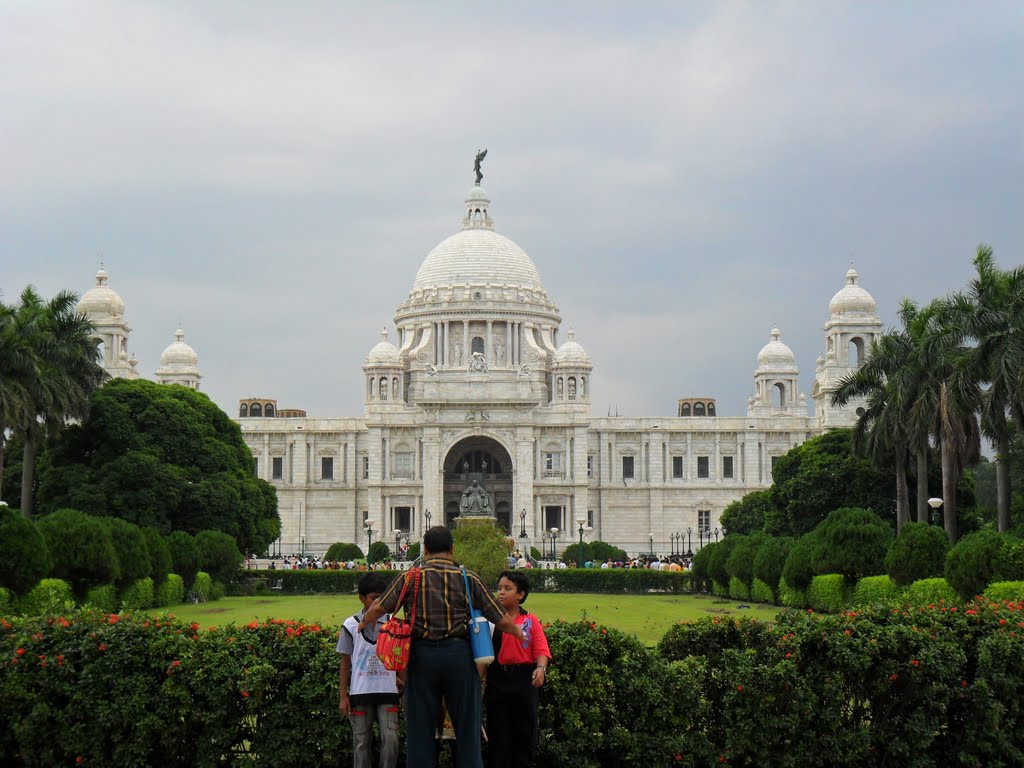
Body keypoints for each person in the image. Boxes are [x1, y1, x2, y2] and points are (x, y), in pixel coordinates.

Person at [361, 526, 525, 768]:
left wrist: (364, 622)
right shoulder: (467, 577)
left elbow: (379, 607)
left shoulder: (411, 576)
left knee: (420, 731)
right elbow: (498, 617)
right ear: (452, 549)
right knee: (467, 729)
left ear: (425, 550)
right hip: (459, 657)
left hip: (421, 657)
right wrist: (518, 631)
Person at [483, 571, 551, 768]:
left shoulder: (530, 620)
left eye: (507, 589)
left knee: (524, 734)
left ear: (520, 594)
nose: (501, 593)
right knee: (498, 736)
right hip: (497, 682)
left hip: (524, 682)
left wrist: (540, 669)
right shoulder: (491, 621)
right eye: (500, 588)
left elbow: (541, 650)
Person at [338, 572, 403, 768]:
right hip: (360, 692)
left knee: (391, 739)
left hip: (388, 691)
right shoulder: (349, 626)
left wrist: (401, 679)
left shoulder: (393, 623)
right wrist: (343, 696)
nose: (378, 603)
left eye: (382, 598)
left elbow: (400, 657)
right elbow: (345, 662)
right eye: (374, 598)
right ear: (362, 598)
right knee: (360, 743)